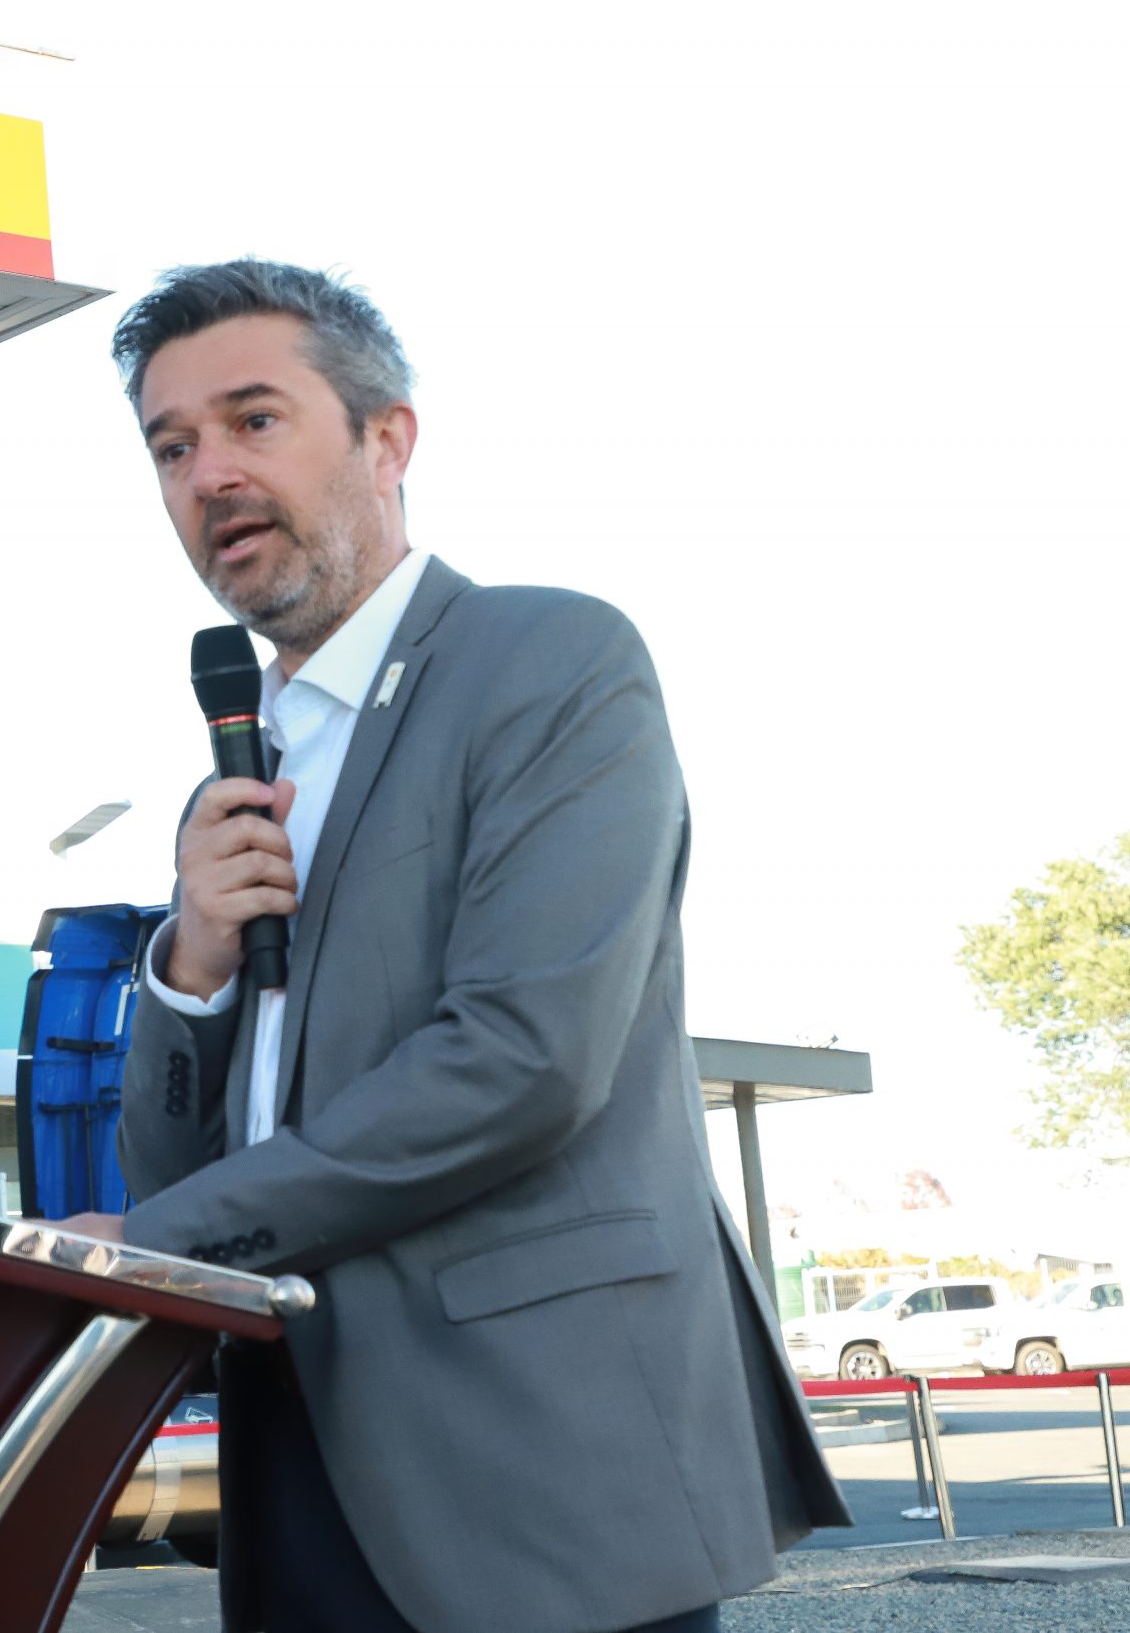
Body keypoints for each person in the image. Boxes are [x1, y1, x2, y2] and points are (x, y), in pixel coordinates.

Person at [57, 260, 849, 1633]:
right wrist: (191, 967)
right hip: (296, 1461)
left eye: (255, 420)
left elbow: (525, 1061)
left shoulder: (548, 661)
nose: (209, 474)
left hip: (534, 1471)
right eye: (170, 447)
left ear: (388, 440)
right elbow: (190, 1164)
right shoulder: (237, 785)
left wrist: (151, 1245)